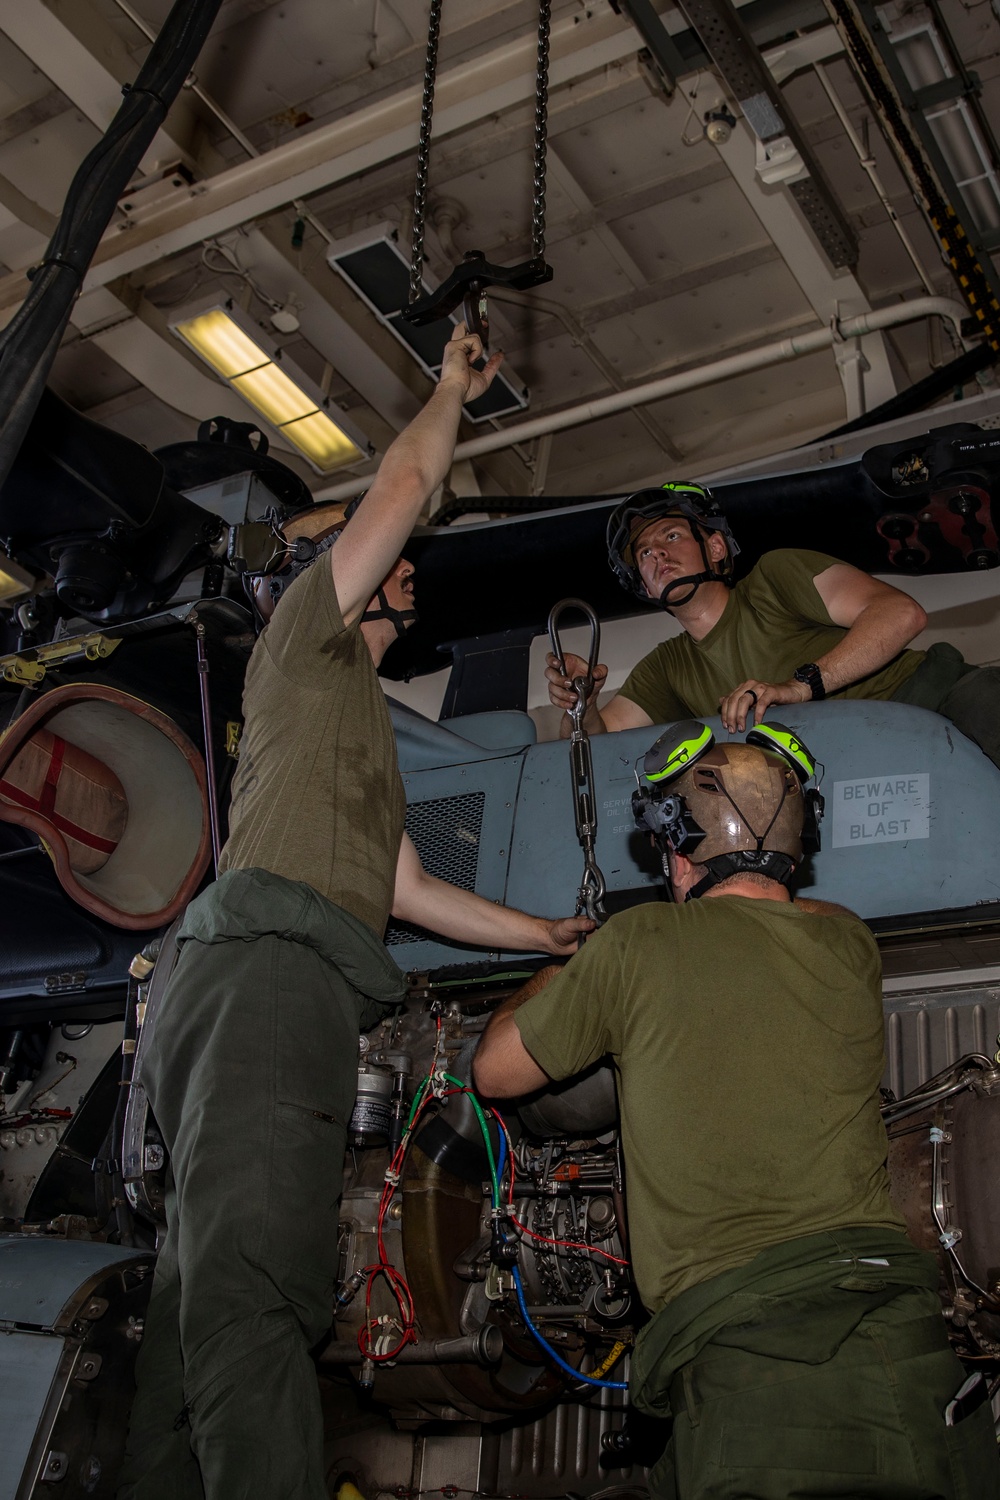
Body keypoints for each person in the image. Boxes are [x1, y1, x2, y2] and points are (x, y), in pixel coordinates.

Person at [119, 326, 593, 1500]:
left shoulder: (358, 722)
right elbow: (403, 482)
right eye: (388, 560)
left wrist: (541, 938)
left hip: (267, 982)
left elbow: (405, 892)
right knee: (258, 1284)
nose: (408, 567)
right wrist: (446, 389)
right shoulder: (301, 638)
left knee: (200, 1291)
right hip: (272, 975)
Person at [473, 718, 1000, 1499]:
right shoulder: (849, 944)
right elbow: (791, 915)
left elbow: (492, 1071)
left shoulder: (636, 945)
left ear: (677, 857)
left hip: (753, 1366)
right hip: (903, 1344)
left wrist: (576, 960)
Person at [545, 483, 1000, 767]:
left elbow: (901, 614)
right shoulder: (666, 667)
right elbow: (597, 748)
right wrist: (578, 704)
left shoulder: (773, 577)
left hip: (938, 702)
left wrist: (798, 687)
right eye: (643, 552)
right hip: (862, 765)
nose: (657, 554)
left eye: (672, 535)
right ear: (642, 585)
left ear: (717, 548)